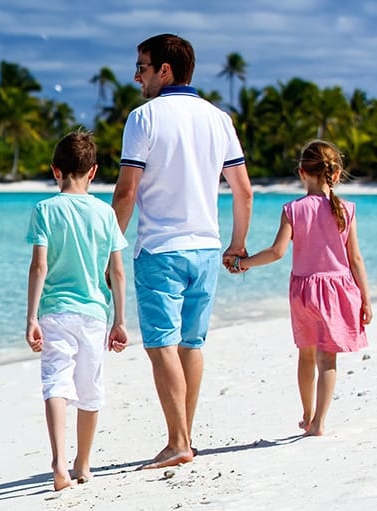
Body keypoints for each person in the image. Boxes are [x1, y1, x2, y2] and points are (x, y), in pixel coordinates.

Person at [111, 33, 254, 469]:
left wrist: (108, 248)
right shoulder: (219, 118)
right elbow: (243, 191)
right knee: (191, 345)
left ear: (164, 70)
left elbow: (126, 192)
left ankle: (178, 442)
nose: (136, 76)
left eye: (141, 67)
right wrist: (237, 244)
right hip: (207, 249)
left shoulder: (143, 118)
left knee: (162, 346)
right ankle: (184, 437)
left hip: (160, 249)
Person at [225, 140, 371, 436]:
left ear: (302, 172)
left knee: (306, 355)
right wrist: (366, 299)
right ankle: (319, 422)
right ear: (336, 173)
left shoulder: (293, 209)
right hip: (338, 290)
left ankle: (307, 414)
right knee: (327, 359)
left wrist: (243, 264)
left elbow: (277, 252)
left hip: (304, 291)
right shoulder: (347, 209)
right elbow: (355, 259)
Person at [26, 130, 129, 491]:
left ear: (55, 170)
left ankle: (58, 461)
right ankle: (83, 463)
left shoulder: (45, 210)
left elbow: (39, 266)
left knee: (55, 382)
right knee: (90, 388)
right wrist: (120, 320)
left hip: (55, 311)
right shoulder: (105, 214)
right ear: (93, 171)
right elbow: (117, 272)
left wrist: (31, 317)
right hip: (95, 313)